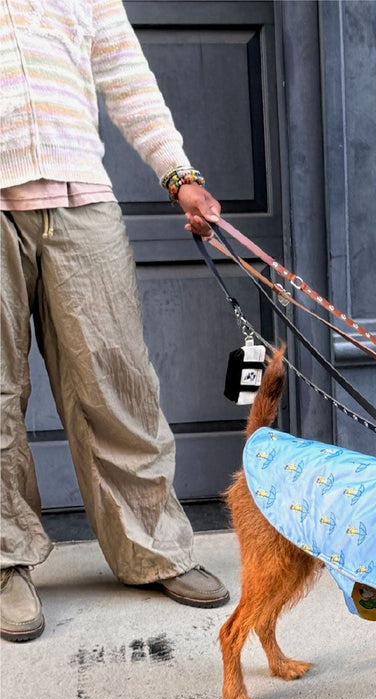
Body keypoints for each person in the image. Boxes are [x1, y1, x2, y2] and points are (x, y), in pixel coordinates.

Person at [0, 0, 230, 642]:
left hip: (80, 199)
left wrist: (178, 174)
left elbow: (128, 77)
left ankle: (153, 548)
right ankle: (3, 562)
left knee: (117, 384)